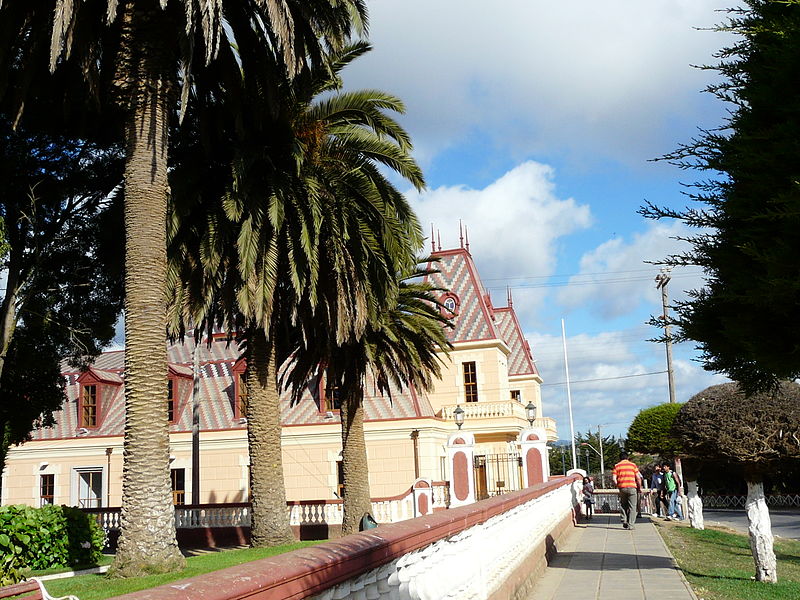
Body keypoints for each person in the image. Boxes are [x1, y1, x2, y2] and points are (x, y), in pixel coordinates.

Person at [612, 453, 642, 530]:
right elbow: (638, 478)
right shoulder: (633, 465)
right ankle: (631, 525)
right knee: (633, 506)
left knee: (623, 504)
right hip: (632, 487)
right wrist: (639, 487)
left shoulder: (617, 466)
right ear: (627, 458)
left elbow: (614, 478)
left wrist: (618, 485)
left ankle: (624, 519)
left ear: (620, 458)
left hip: (622, 487)